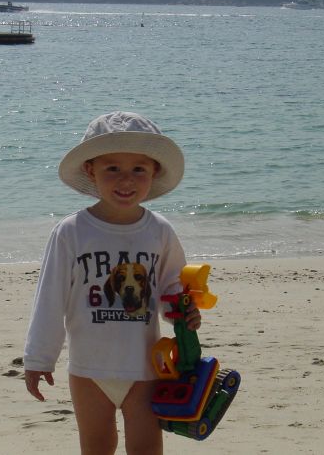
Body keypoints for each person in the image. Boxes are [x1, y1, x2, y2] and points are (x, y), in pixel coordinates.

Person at [24, 111, 201, 454]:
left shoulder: (159, 231)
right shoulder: (72, 232)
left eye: (139, 169)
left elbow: (172, 288)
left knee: (147, 448)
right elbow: (50, 299)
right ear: (91, 170)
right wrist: (38, 358)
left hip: (145, 366)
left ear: (154, 171)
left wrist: (183, 312)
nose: (126, 180)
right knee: (97, 447)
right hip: (89, 368)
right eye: (113, 168)